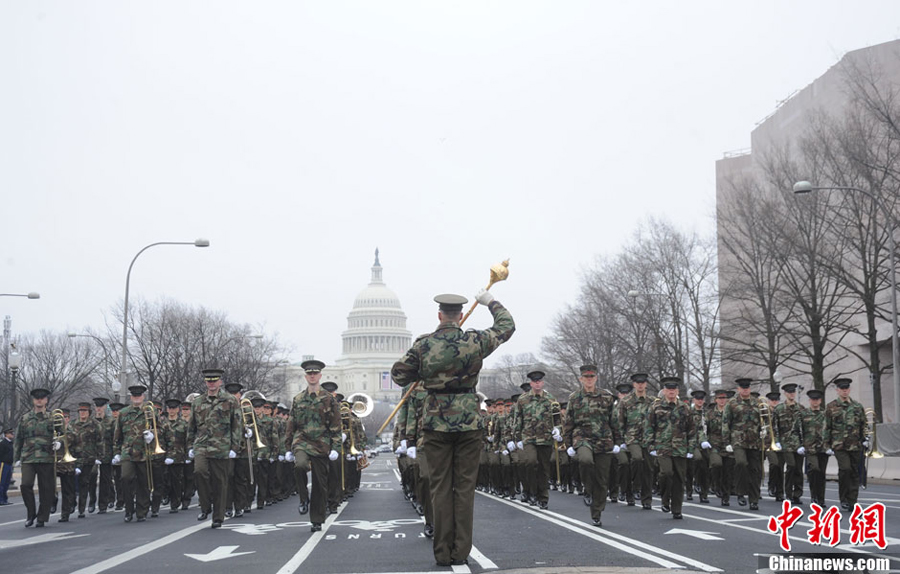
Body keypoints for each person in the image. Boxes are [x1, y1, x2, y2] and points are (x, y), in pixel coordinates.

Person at [391, 290, 515, 567]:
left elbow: (399, 374)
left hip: (435, 423)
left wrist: (424, 370)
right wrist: (490, 302)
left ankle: (442, 552)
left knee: (440, 488)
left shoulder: (425, 344)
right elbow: (507, 327)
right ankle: (460, 552)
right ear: (460, 315)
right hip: (469, 423)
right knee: (464, 488)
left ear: (439, 315)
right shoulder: (474, 340)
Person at [285, 359, 341, 532]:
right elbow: (291, 424)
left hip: (322, 443)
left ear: (320, 376)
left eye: (315, 373)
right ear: (305, 376)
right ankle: (303, 498)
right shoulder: (298, 399)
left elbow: (335, 425)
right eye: (309, 374)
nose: (312, 376)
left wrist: (336, 447)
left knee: (320, 483)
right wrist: (287, 448)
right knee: (300, 466)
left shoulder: (329, 400)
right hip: (302, 440)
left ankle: (316, 519)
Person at [563, 364, 620, 527]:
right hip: (583, 437)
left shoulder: (606, 397)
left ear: (596, 378)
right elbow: (568, 423)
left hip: (604, 439)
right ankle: (587, 489)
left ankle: (596, 513)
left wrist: (618, 442)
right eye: (586, 377)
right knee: (586, 461)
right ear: (581, 379)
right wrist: (568, 444)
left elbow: (614, 421)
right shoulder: (574, 397)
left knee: (602, 479)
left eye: (592, 377)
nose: (589, 380)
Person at [188, 368, 242, 528]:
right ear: (205, 382)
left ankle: (218, 517)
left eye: (214, 381)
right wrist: (190, 445)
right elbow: (191, 426)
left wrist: (235, 447)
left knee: (220, 482)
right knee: (199, 472)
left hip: (221, 446)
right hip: (202, 445)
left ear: (220, 382)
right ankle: (205, 506)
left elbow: (237, 425)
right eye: (208, 381)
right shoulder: (197, 402)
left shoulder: (230, 400)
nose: (211, 384)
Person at [646, 376, 699, 519]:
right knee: (666, 473)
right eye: (668, 389)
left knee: (679, 479)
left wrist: (690, 448)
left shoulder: (685, 407)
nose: (671, 392)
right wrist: (651, 445)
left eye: (674, 389)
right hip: (662, 447)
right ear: (664, 391)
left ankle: (677, 509)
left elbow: (692, 430)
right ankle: (664, 498)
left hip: (680, 447)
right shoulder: (656, 407)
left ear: (677, 391)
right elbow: (649, 427)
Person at [113, 385, 158, 523]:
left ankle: (142, 511)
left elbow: (160, 429)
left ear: (143, 397)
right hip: (128, 452)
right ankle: (128, 509)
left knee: (143, 483)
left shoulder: (150, 411)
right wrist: (116, 453)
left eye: (139, 396)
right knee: (125, 478)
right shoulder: (124, 413)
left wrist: (152, 436)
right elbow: (117, 435)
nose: (137, 398)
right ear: (131, 397)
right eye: (134, 396)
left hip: (145, 452)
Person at [14, 388, 56, 527]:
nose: (39, 400)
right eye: (37, 398)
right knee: (25, 484)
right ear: (33, 400)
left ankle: (42, 517)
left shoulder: (53, 418)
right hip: (29, 456)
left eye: (42, 398)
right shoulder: (25, 418)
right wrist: (17, 458)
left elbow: (62, 434)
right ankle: (31, 514)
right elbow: (19, 439)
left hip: (46, 457)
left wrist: (60, 443)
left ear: (46, 400)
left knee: (46, 488)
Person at [515, 370, 556, 509]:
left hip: (545, 437)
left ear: (542, 383)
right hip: (529, 438)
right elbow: (518, 419)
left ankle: (543, 497)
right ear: (531, 383)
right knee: (531, 463)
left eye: (539, 381)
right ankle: (532, 491)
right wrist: (517, 438)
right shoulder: (523, 399)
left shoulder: (550, 398)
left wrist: (558, 429)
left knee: (544, 468)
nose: (537, 383)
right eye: (535, 381)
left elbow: (556, 417)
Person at [824, 377, 866, 512]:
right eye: (842, 389)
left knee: (854, 472)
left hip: (855, 444)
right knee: (845, 469)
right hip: (839, 445)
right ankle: (844, 499)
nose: (844, 391)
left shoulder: (857, 406)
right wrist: (827, 445)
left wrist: (865, 438)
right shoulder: (831, 407)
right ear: (837, 390)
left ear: (849, 389)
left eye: (846, 388)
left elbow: (863, 425)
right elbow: (827, 427)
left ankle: (853, 500)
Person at [723, 377, 764, 510]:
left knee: (755, 470)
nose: (745, 390)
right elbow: (725, 423)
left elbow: (764, 420)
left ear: (749, 389)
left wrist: (765, 432)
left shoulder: (757, 402)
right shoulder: (732, 403)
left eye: (747, 388)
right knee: (741, 463)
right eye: (743, 388)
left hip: (754, 441)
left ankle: (754, 499)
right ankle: (740, 492)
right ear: (738, 389)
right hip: (738, 440)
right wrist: (726, 441)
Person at [617, 372, 655, 510]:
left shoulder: (653, 401)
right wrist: (620, 440)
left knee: (649, 468)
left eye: (642, 383)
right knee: (637, 459)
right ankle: (634, 488)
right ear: (634, 385)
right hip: (631, 438)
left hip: (649, 438)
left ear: (645, 384)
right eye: (638, 383)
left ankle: (647, 499)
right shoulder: (625, 402)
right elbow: (620, 422)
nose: (640, 385)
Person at [774, 383, 806, 504]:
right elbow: (775, 426)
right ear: (785, 394)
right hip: (785, 442)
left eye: (793, 392)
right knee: (791, 466)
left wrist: (804, 444)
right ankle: (788, 493)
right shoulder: (779, 409)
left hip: (798, 443)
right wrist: (777, 441)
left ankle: (797, 494)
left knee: (798, 469)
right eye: (789, 392)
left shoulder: (801, 408)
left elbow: (805, 427)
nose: (791, 394)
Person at [71, 401, 102, 518]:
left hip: (89, 458)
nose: (82, 413)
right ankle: (72, 503)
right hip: (75, 458)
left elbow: (100, 441)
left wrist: (99, 457)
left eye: (84, 411)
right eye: (80, 411)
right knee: (73, 483)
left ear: (89, 412)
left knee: (84, 483)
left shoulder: (95, 425)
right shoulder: (73, 424)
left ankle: (81, 508)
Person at [797, 389, 828, 506]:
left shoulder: (825, 414)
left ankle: (821, 499)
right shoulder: (803, 414)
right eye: (813, 400)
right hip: (809, 448)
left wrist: (830, 445)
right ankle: (814, 495)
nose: (815, 402)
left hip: (823, 448)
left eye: (817, 400)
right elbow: (797, 430)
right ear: (810, 400)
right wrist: (799, 445)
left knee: (821, 473)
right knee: (814, 469)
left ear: (820, 401)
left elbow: (830, 430)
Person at [706, 389, 734, 506]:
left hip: (728, 445)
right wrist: (704, 441)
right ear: (715, 400)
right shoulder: (710, 413)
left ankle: (725, 496)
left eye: (724, 398)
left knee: (728, 471)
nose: (722, 401)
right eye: (720, 398)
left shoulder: (731, 413)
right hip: (715, 445)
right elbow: (704, 429)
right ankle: (716, 485)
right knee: (717, 464)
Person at [89, 397, 114, 514]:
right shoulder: (90, 422)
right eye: (97, 406)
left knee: (105, 479)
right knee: (91, 477)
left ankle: (103, 504)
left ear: (105, 407)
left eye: (101, 406)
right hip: (92, 454)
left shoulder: (111, 421)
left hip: (107, 453)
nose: (99, 409)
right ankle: (92, 501)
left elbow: (115, 438)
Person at [164, 398, 188, 514]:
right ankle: (167, 497)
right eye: (170, 408)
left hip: (178, 456)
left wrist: (188, 455)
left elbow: (187, 440)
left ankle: (175, 502)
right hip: (164, 456)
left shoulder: (183, 424)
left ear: (178, 410)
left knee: (176, 480)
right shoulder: (162, 423)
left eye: (174, 408)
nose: (172, 410)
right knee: (165, 480)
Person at [0, 427, 15, 505]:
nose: (12, 434)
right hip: (3, 464)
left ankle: (5, 499)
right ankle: (1, 499)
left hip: (9, 464)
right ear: (6, 434)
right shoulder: (3, 443)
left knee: (6, 483)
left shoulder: (10, 443)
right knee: (2, 482)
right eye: (10, 433)